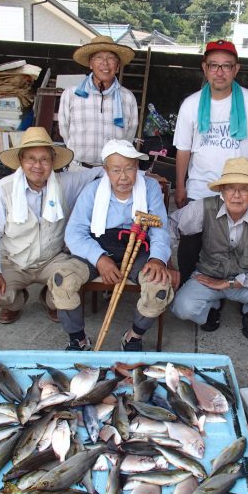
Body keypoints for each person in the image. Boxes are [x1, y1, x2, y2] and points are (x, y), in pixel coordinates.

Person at [55, 139, 178, 352]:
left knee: (159, 286)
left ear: (137, 167)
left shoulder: (150, 188)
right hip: (98, 247)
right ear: (106, 170)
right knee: (61, 280)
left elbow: (159, 228)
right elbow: (74, 233)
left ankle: (133, 337)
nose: (123, 177)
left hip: (139, 249)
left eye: (130, 168)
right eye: (116, 170)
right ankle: (78, 339)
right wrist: (100, 259)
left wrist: (158, 258)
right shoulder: (93, 190)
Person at [0, 127, 103, 330]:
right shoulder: (3, 189)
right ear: (21, 160)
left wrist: (140, 176)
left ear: (53, 162)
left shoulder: (65, 183)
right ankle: (16, 300)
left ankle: (48, 297)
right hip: (13, 260)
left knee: (69, 285)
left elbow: (101, 171)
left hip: (52, 259)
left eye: (44, 159)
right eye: (31, 158)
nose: (38, 165)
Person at [173, 39, 248, 284]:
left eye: (226, 66)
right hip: (200, 188)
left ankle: (237, 292)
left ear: (236, 69)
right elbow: (183, 150)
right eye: (214, 65)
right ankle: (191, 287)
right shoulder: (191, 104)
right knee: (192, 244)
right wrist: (181, 186)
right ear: (204, 68)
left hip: (241, 188)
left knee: (242, 246)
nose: (219, 72)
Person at [170, 157, 248, 340]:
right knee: (182, 307)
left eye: (244, 188)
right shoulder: (205, 207)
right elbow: (172, 223)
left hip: (245, 282)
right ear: (222, 190)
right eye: (230, 187)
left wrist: (231, 283)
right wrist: (165, 261)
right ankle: (211, 308)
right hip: (208, 277)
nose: (236, 195)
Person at [58, 36, 138, 167]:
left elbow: (129, 137)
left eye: (111, 58)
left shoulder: (128, 98)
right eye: (99, 57)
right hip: (79, 169)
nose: (105, 63)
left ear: (117, 66)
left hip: (113, 171)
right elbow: (65, 131)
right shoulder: (71, 94)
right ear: (90, 63)